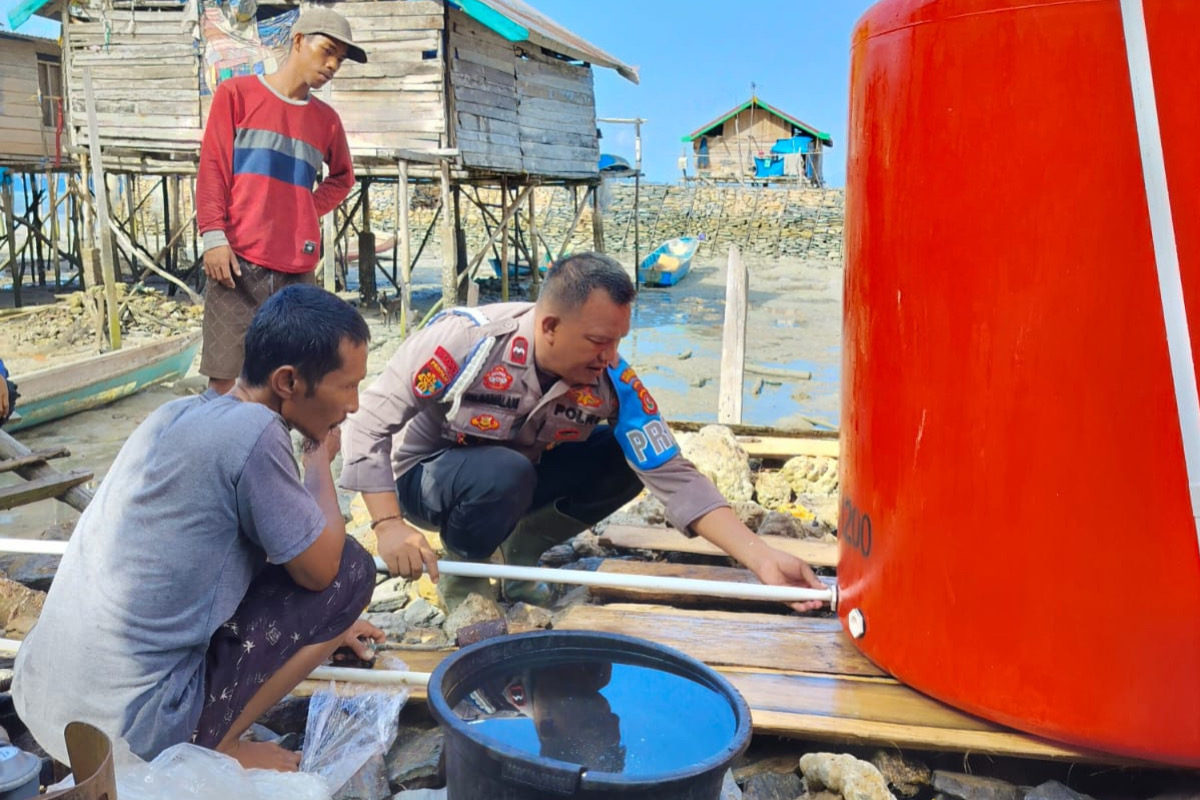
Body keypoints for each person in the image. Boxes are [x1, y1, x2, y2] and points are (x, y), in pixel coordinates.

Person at [13, 285, 382, 772]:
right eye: (347, 387)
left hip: (46, 699)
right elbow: (320, 572)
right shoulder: (256, 432)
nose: (354, 406)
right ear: (288, 381)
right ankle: (216, 746)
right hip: (130, 732)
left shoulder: (178, 412)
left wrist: (328, 631)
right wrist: (318, 459)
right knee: (351, 570)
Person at [340, 252, 826, 611]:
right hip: (425, 483)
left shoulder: (611, 379)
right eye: (598, 341)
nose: (610, 357)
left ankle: (524, 548)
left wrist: (761, 558)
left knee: (623, 457)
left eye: (618, 341)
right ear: (549, 326)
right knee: (502, 470)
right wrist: (387, 525)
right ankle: (465, 578)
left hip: (513, 482)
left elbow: (671, 471)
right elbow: (367, 422)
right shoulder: (466, 343)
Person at [196, 7, 365, 395]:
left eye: (339, 59)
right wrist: (213, 237)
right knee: (225, 377)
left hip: (296, 267)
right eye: (327, 51)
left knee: (290, 379)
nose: (332, 65)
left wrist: (305, 208)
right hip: (236, 262)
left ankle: (276, 452)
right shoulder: (235, 95)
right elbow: (212, 170)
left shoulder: (326, 120)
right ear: (299, 41)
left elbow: (342, 178)